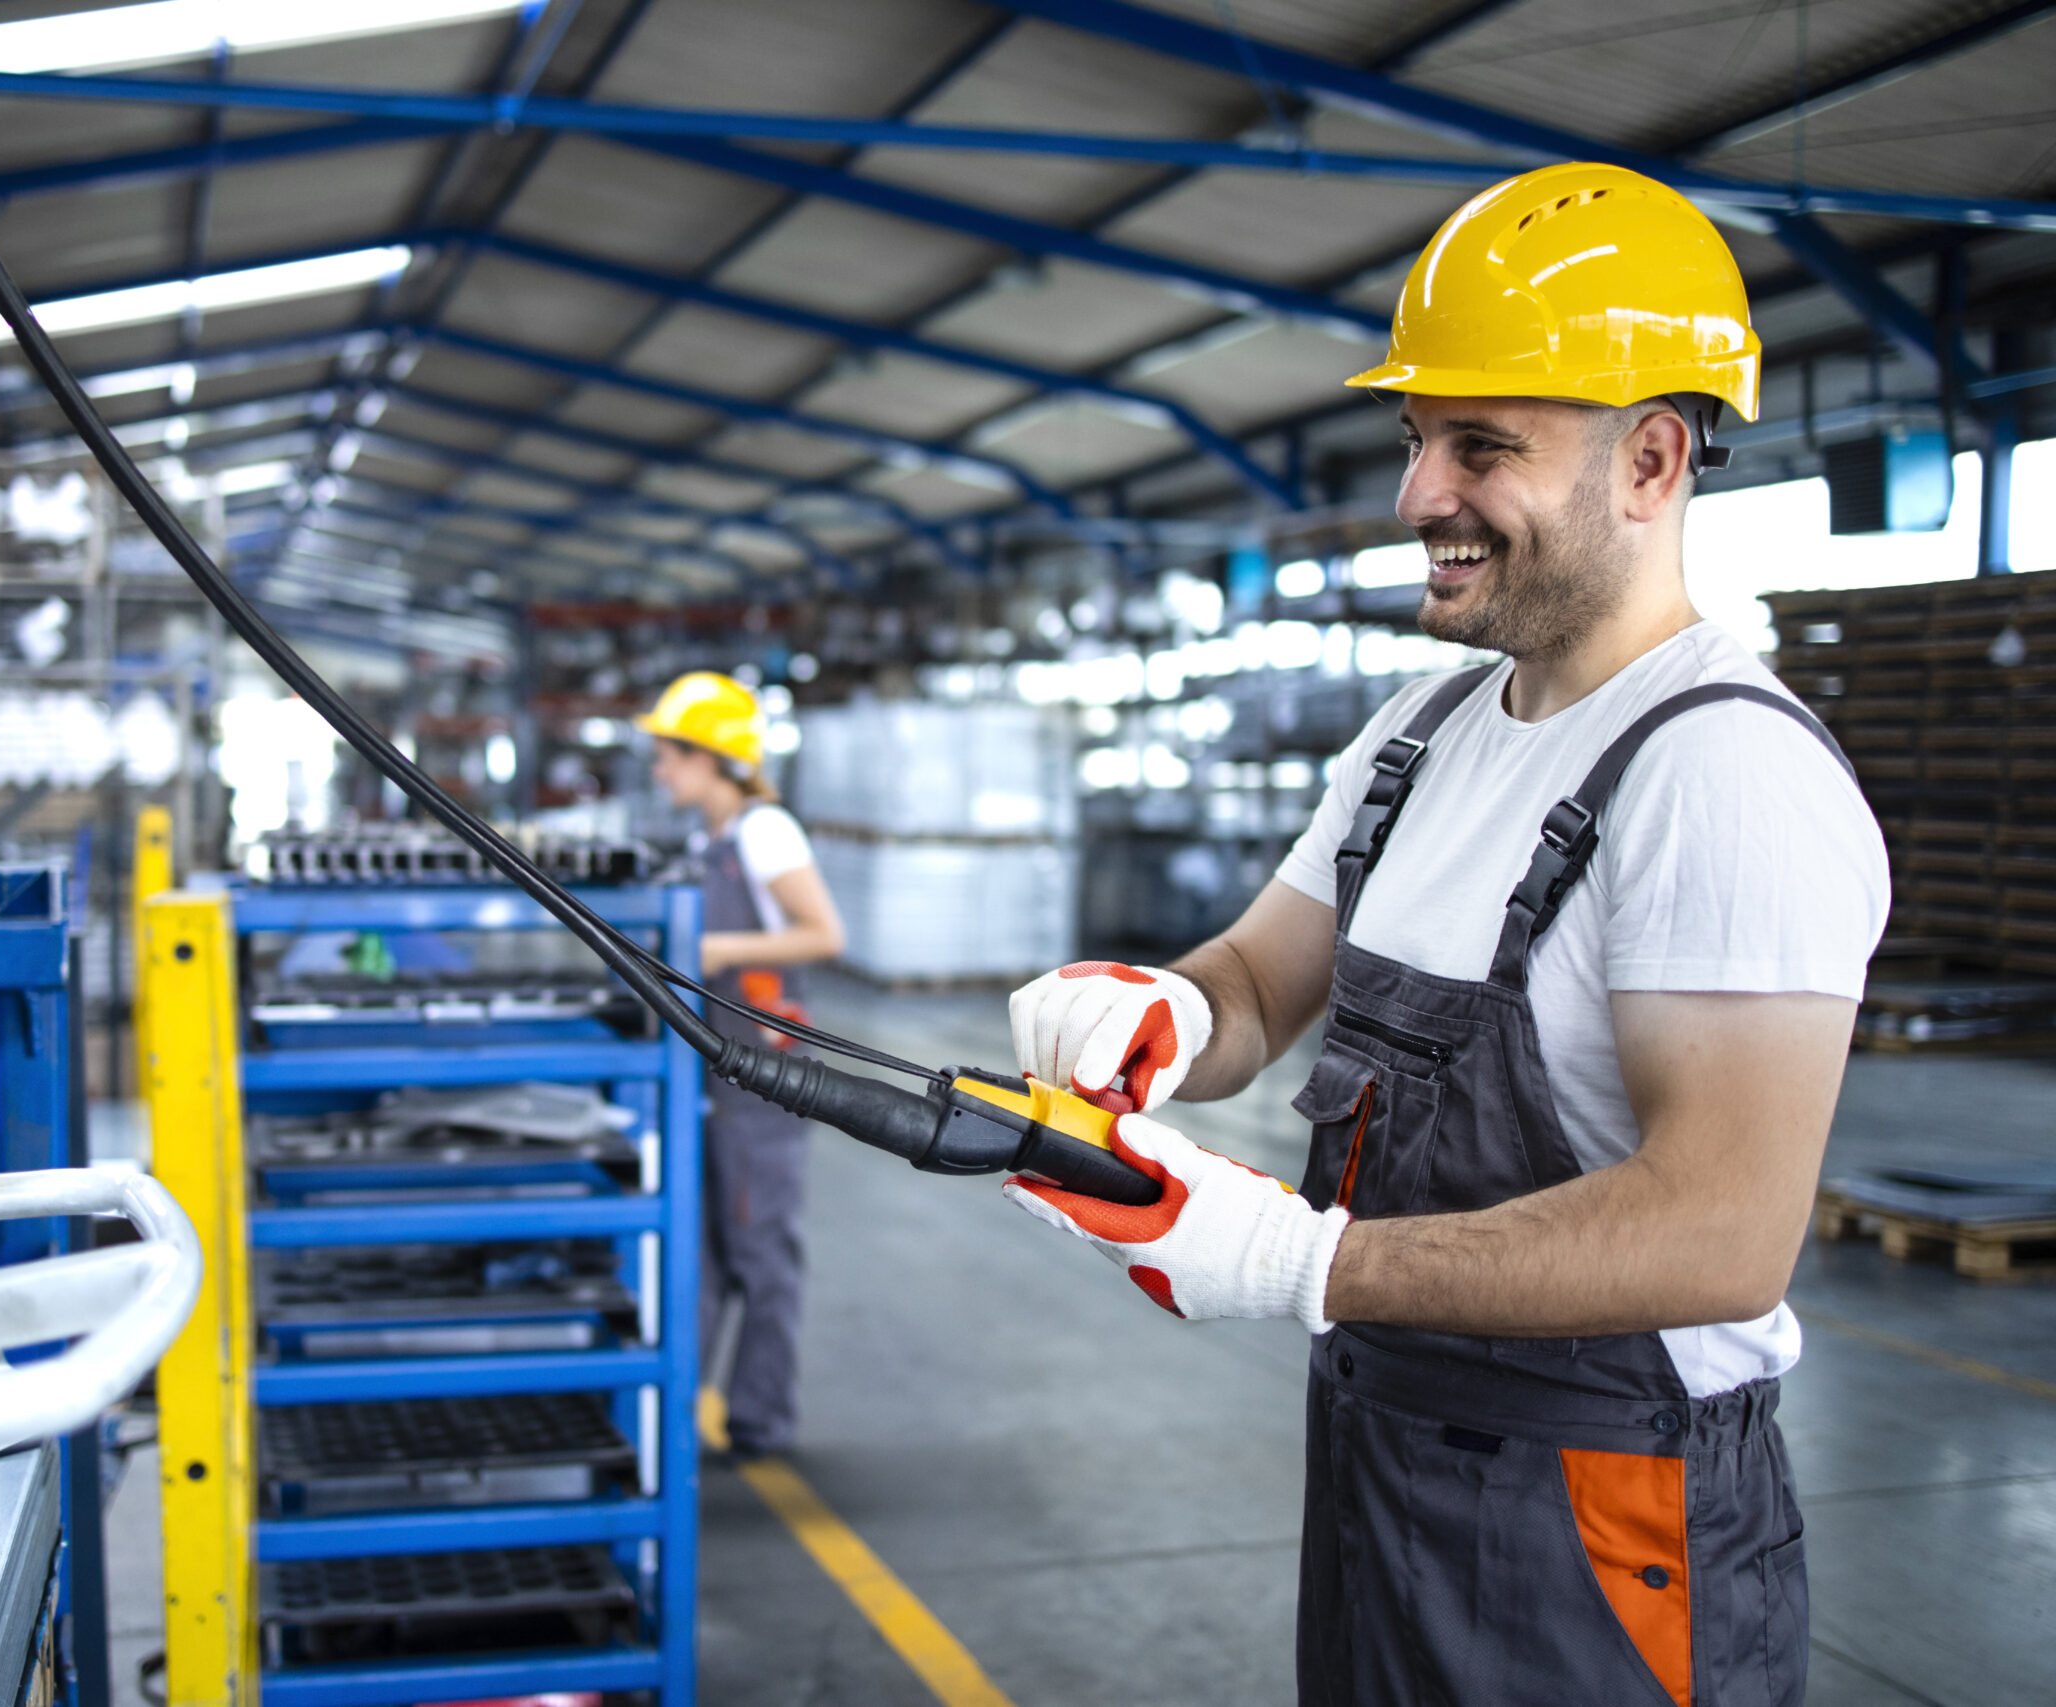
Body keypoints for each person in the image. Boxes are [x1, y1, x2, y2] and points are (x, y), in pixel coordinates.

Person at [1003, 162, 1886, 1706]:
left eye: (1483, 446)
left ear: (1652, 460)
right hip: (1382, 1455)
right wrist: (1161, 1011)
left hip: (1601, 1523)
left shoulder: (1719, 769)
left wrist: (1299, 1256)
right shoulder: (1421, 731)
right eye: (1421, 441)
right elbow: (1263, 978)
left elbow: (1721, 1227)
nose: (1420, 496)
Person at [640, 671, 846, 1459]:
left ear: (711, 757)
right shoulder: (713, 840)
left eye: (669, 754)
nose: (660, 770)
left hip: (763, 1075)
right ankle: (684, 1410)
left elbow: (823, 932)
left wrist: (718, 950)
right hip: (719, 1073)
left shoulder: (766, 832)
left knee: (760, 1251)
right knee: (710, 1250)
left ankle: (762, 1422)